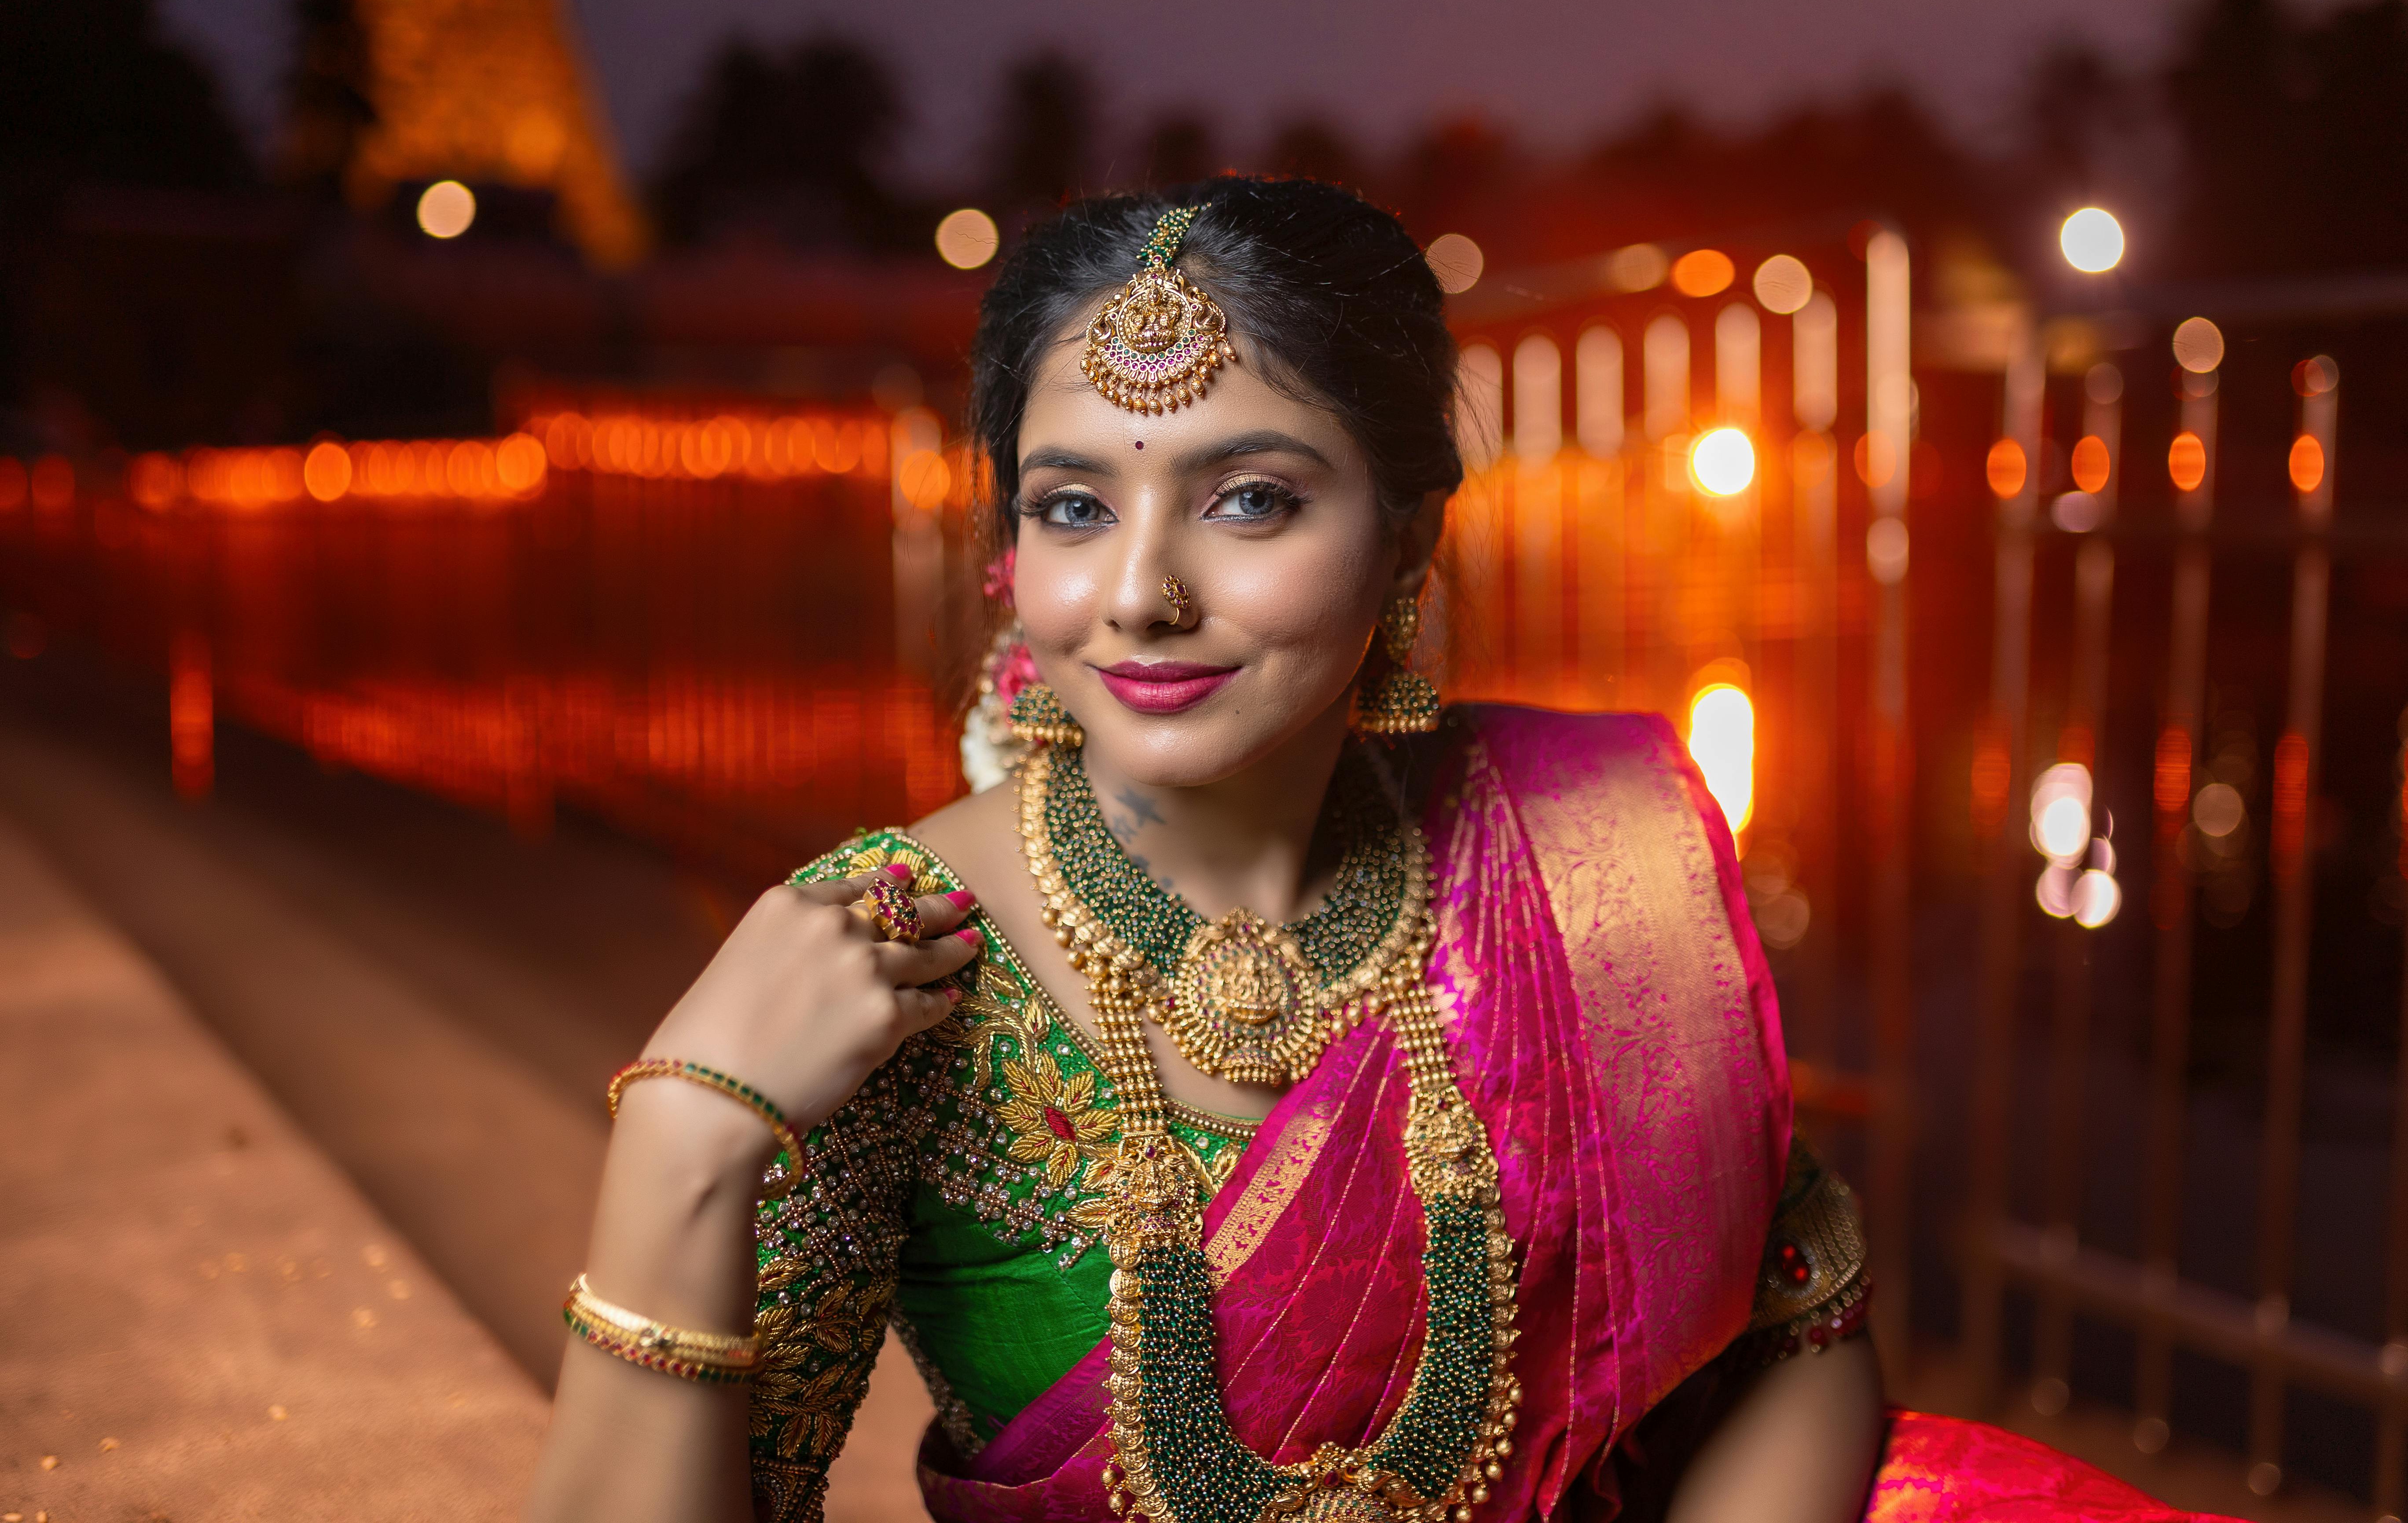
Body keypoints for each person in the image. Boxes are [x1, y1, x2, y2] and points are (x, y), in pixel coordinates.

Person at [526, 178, 2224, 1523]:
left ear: (1410, 537)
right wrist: (687, 1126)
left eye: (1248, 498)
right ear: (1008, 547)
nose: (1140, 592)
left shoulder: (1590, 856)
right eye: (1072, 505)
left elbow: (1800, 1342)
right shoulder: (891, 951)